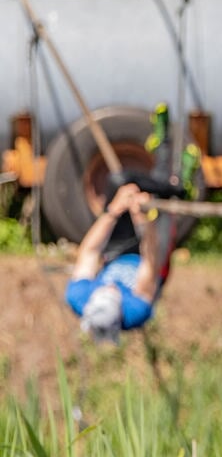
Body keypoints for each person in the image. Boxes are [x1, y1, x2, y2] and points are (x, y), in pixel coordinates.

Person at [66, 105, 198, 344]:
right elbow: (151, 261)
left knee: (121, 181)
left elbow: (89, 251)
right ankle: (172, 167)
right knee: (158, 210)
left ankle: (175, 179)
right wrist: (142, 221)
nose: (109, 290)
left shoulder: (79, 298)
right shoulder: (136, 311)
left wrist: (113, 211)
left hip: (117, 251)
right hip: (153, 257)